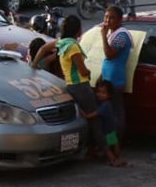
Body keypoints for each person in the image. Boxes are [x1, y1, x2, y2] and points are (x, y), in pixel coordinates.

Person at [31, 14, 103, 160]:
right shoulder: (73, 46)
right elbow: (82, 70)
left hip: (69, 85)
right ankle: (103, 150)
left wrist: (33, 65)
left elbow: (43, 48)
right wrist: (88, 72)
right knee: (96, 120)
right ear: (78, 31)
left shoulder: (61, 43)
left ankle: (89, 149)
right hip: (81, 86)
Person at [98, 5, 133, 138]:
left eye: (112, 18)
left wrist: (103, 36)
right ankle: (111, 144)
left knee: (114, 116)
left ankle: (115, 143)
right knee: (109, 115)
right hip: (108, 80)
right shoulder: (113, 33)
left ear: (119, 20)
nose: (107, 21)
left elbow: (109, 54)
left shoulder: (121, 35)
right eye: (106, 17)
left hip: (115, 81)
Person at [94, 79, 128, 167]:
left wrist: (85, 115)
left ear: (109, 95)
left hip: (107, 131)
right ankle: (118, 157)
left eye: (103, 93)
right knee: (114, 143)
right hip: (112, 129)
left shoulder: (104, 105)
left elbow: (95, 114)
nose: (99, 94)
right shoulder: (108, 104)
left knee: (107, 146)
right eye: (98, 92)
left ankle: (113, 160)